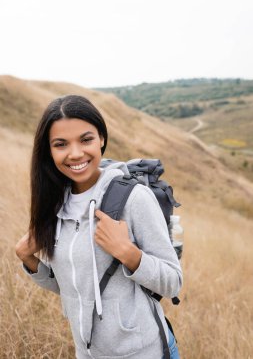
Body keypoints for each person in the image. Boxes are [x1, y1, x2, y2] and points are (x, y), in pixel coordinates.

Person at [15, 95, 182, 359]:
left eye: (86, 139)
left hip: (145, 353)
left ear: (101, 138)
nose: (76, 153)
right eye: (61, 144)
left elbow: (173, 283)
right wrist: (28, 259)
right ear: (48, 150)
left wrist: (128, 253)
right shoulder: (56, 204)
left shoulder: (133, 198)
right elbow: (74, 288)